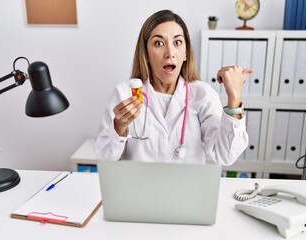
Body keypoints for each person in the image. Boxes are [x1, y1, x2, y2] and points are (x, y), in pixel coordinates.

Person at [94, 9, 251, 166]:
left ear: (185, 53)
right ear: (146, 54)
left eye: (177, 42)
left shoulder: (203, 94)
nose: (169, 53)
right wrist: (119, 127)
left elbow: (224, 156)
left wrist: (235, 99)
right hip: (139, 188)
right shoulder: (124, 93)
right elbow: (106, 158)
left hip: (186, 188)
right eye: (159, 43)